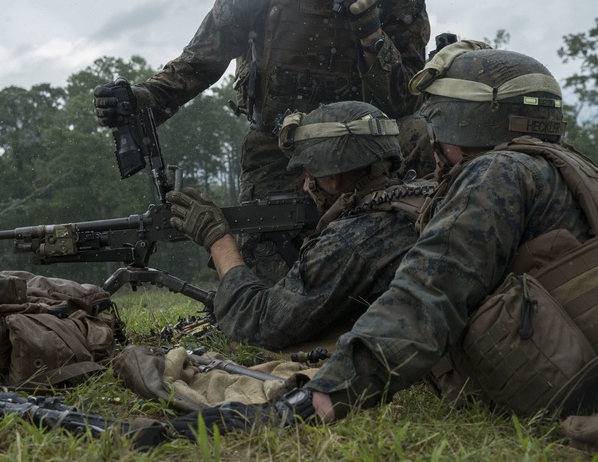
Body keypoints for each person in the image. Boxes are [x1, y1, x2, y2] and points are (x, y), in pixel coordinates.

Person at [263, 44, 598, 424]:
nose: (434, 148)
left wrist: (321, 397)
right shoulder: (578, 169)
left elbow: (428, 294)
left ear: (469, 125)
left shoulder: (496, 172)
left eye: (440, 131)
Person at [95, 0, 431, 283]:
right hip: (279, 153)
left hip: (368, 156)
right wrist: (144, 97)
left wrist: (371, 32)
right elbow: (199, 62)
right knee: (272, 290)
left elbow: (409, 101)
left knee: (375, 275)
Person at [165, 101, 433, 350]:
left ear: (334, 177)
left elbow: (257, 322)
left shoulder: (352, 240)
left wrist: (218, 240)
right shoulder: (425, 196)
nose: (306, 186)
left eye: (307, 174)